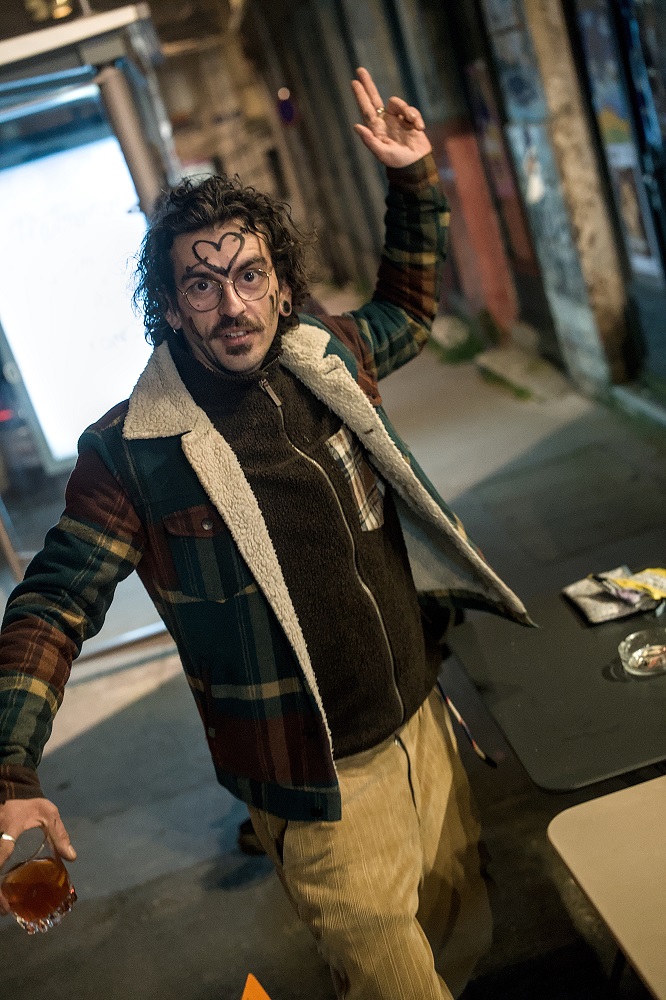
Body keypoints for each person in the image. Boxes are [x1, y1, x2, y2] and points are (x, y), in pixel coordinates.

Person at [0, 68, 531, 999]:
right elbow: (53, 604)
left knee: (466, 937)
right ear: (170, 307)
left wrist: (413, 181)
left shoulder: (326, 357)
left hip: (425, 722)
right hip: (322, 787)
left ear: (281, 286)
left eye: (249, 275)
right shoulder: (133, 452)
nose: (232, 305)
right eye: (202, 286)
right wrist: (11, 768)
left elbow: (407, 310)